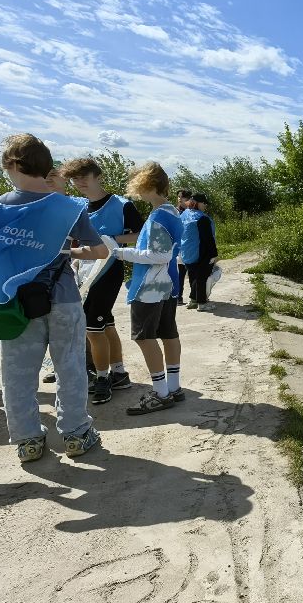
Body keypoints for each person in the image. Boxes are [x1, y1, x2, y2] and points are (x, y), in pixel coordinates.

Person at [0, 134, 107, 464]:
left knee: (16, 373)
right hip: (64, 297)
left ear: (12, 164)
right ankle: (76, 435)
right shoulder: (69, 208)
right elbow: (99, 251)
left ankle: (27, 440)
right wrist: (66, 249)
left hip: (15, 302)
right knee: (70, 368)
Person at [62, 156, 144, 406]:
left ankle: (102, 378)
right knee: (105, 323)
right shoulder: (78, 207)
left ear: (99, 176)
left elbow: (140, 235)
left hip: (109, 271)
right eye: (74, 179)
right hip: (83, 272)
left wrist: (111, 239)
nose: (79, 183)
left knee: (91, 328)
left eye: (83, 177)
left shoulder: (122, 204)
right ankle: (119, 373)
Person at [114, 163, 184, 415]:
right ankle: (173, 387)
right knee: (168, 333)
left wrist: (120, 252)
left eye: (139, 186)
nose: (137, 192)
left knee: (145, 337)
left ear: (148, 185)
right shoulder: (173, 212)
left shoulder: (157, 217)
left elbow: (158, 255)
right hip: (169, 284)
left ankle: (161, 393)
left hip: (151, 287)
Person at [181, 193, 219, 312]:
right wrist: (214, 254)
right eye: (204, 203)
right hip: (201, 253)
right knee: (201, 277)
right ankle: (202, 303)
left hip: (187, 252)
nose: (205, 205)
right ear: (197, 203)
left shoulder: (185, 214)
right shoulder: (202, 218)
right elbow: (208, 239)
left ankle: (193, 300)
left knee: (193, 276)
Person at [170, 188, 193, 306]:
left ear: (188, 199)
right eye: (178, 197)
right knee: (180, 273)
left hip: (189, 246)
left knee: (193, 272)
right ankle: (178, 296)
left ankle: (195, 296)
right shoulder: (175, 211)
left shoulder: (192, 212)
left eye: (182, 197)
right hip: (178, 246)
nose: (179, 199)